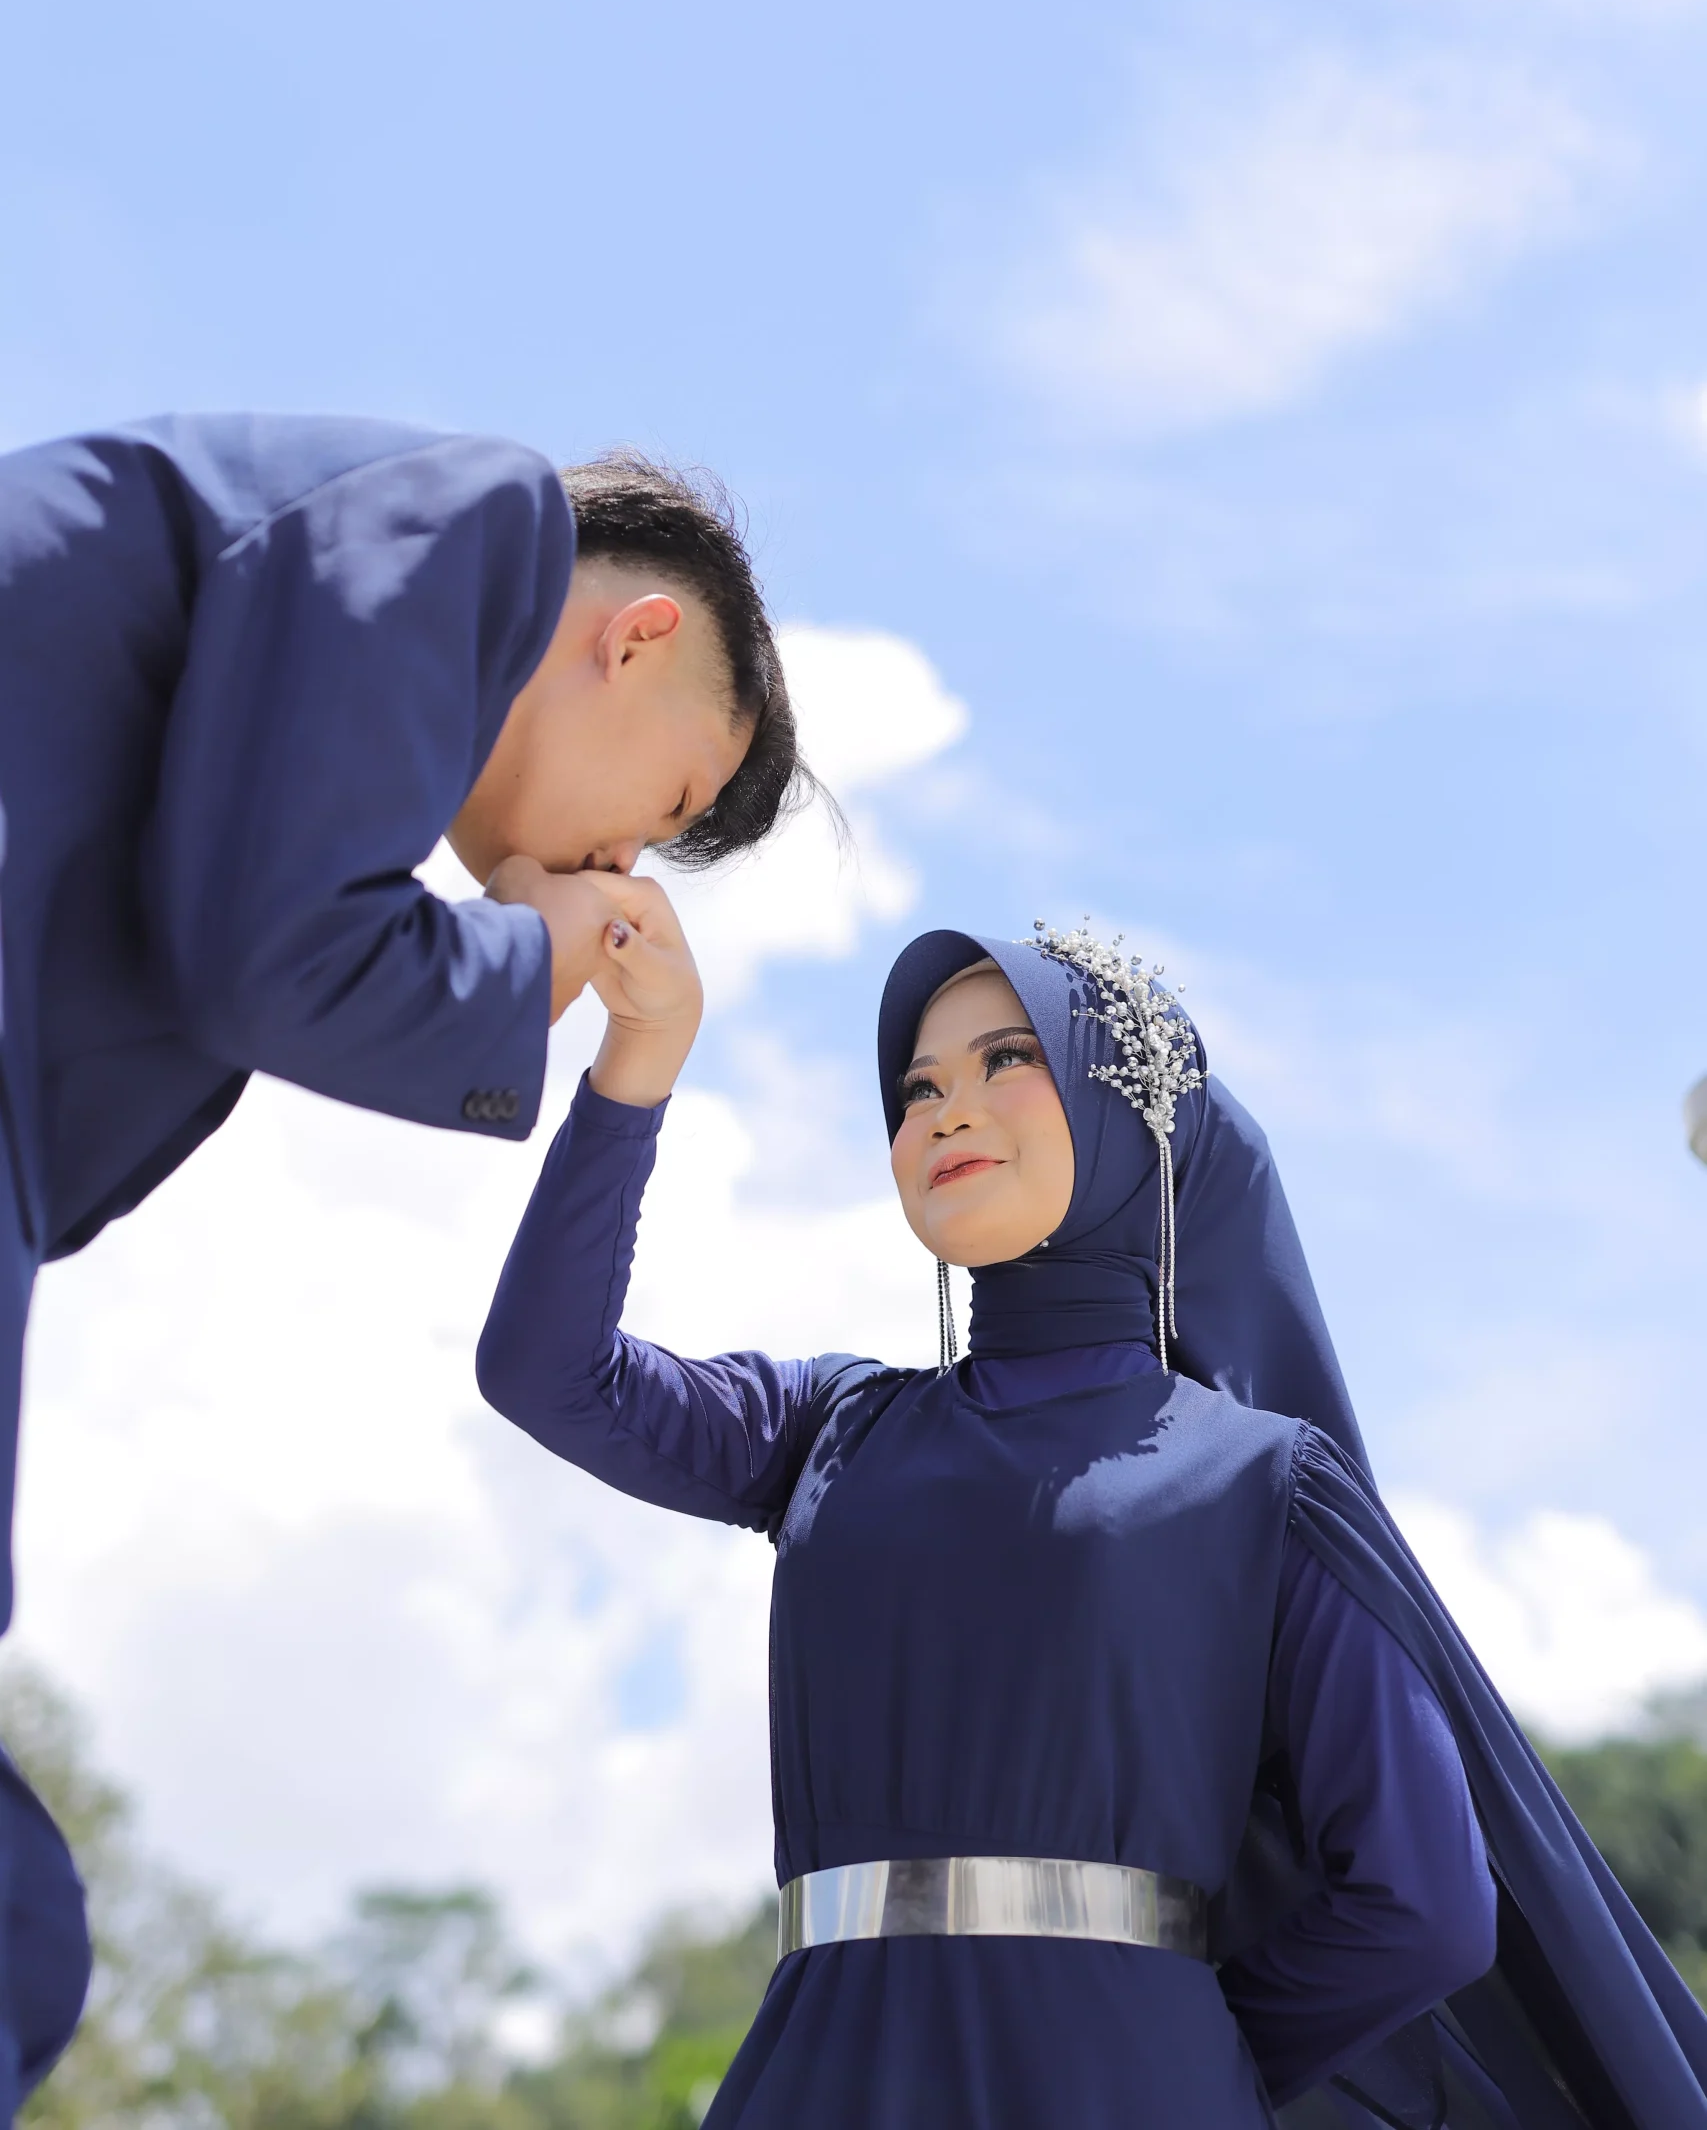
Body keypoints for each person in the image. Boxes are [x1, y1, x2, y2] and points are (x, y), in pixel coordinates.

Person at [478, 897, 1707, 2126]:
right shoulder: (827, 1426)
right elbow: (545, 1368)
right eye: (917, 1087)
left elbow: (1425, 1899)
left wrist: (1179, 2054)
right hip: (816, 2081)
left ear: (1127, 1112)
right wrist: (642, 1055)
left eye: (1006, 1058)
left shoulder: (1263, 1482)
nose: (946, 1108)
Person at [0, 414, 808, 2113]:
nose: (622, 866)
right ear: (635, 637)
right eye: (662, 808)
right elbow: (269, 954)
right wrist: (528, 953)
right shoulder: (483, 527)